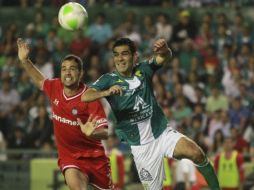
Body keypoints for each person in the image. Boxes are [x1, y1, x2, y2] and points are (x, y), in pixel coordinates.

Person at [81, 37, 220, 190]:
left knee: (196, 153)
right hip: (142, 147)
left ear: (135, 56)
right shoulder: (108, 79)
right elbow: (85, 96)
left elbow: (164, 57)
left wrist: (165, 49)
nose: (119, 58)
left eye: (124, 54)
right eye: (116, 54)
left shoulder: (144, 69)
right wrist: (106, 92)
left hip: (161, 132)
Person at [17, 38, 113, 190]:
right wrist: (25, 60)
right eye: (64, 68)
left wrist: (93, 132)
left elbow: (105, 132)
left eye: (72, 68)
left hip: (96, 158)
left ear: (81, 73)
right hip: (70, 157)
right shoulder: (55, 87)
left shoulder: (90, 98)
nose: (67, 72)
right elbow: (40, 81)